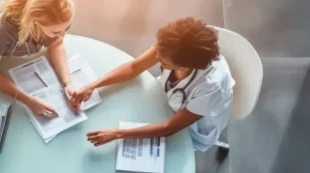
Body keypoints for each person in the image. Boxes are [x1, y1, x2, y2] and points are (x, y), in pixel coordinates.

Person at [71, 17, 235, 152]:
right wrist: (93, 85)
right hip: (165, 99)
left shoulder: (211, 87)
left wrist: (118, 134)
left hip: (195, 122)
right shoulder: (171, 46)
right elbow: (134, 67)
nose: (156, 56)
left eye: (162, 61)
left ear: (183, 66)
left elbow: (169, 127)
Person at [0, 0, 77, 117]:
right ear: (35, 22)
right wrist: (29, 101)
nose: (62, 35)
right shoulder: (1, 32)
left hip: (15, 55)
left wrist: (67, 83)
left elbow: (56, 44)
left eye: (67, 27)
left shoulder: (55, 24)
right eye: (56, 31)